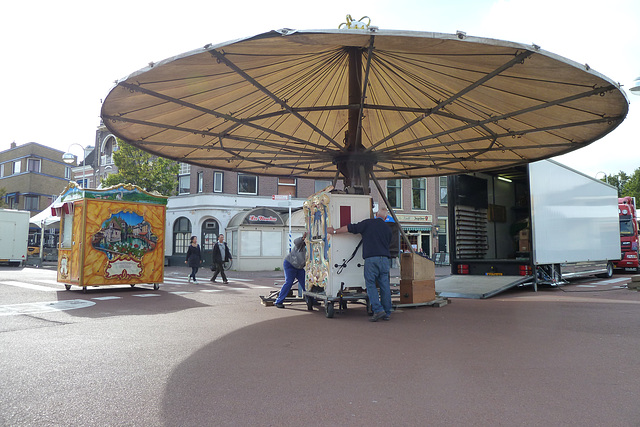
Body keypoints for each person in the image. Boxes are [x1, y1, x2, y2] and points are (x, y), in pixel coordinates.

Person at [327, 207, 392, 322]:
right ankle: (387, 312)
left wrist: (335, 231)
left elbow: (350, 228)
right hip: (385, 259)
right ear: (386, 218)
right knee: (385, 286)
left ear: (376, 214)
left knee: (370, 284)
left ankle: (378, 310)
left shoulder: (368, 223)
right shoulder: (388, 229)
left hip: (371, 259)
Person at [275, 232, 307, 308]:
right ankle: (279, 301)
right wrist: (302, 238)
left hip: (299, 267)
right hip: (290, 264)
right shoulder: (301, 245)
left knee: (306, 284)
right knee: (289, 282)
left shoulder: (313, 249)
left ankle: (312, 299)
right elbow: (296, 241)